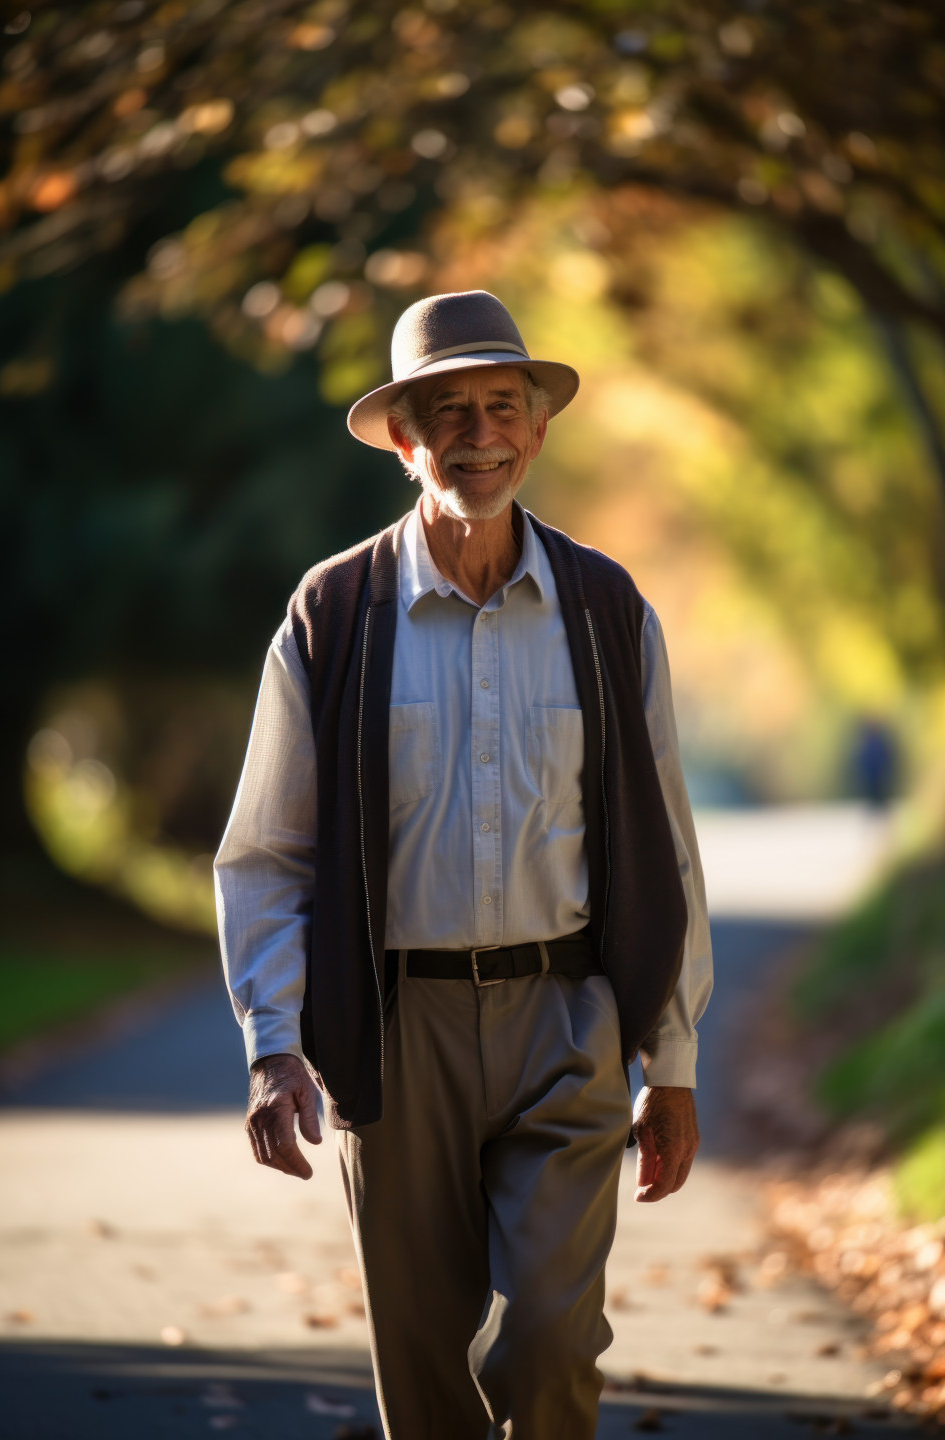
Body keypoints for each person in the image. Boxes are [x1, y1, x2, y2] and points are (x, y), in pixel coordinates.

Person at [214, 289, 713, 1440]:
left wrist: (671, 1060)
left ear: (537, 431)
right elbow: (268, 851)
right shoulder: (334, 612)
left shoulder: (605, 608)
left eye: (502, 407)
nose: (479, 435)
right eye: (448, 412)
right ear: (405, 440)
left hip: (567, 1018)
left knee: (550, 1339)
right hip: (394, 1033)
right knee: (424, 1365)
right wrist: (272, 1043)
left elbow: (668, 848)